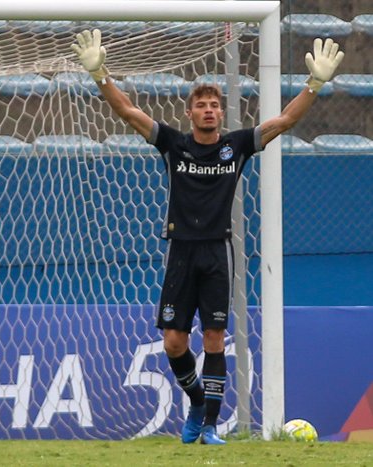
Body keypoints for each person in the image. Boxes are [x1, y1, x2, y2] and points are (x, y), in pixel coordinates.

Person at [72, 29, 344, 445]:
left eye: (215, 105)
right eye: (201, 105)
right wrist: (101, 75)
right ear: (190, 113)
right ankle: (198, 403)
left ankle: (211, 426)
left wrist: (315, 84)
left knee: (215, 338)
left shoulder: (235, 146)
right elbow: (129, 113)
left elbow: (285, 121)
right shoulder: (173, 145)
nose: (209, 110)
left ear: (222, 113)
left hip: (218, 252)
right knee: (174, 343)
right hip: (180, 251)